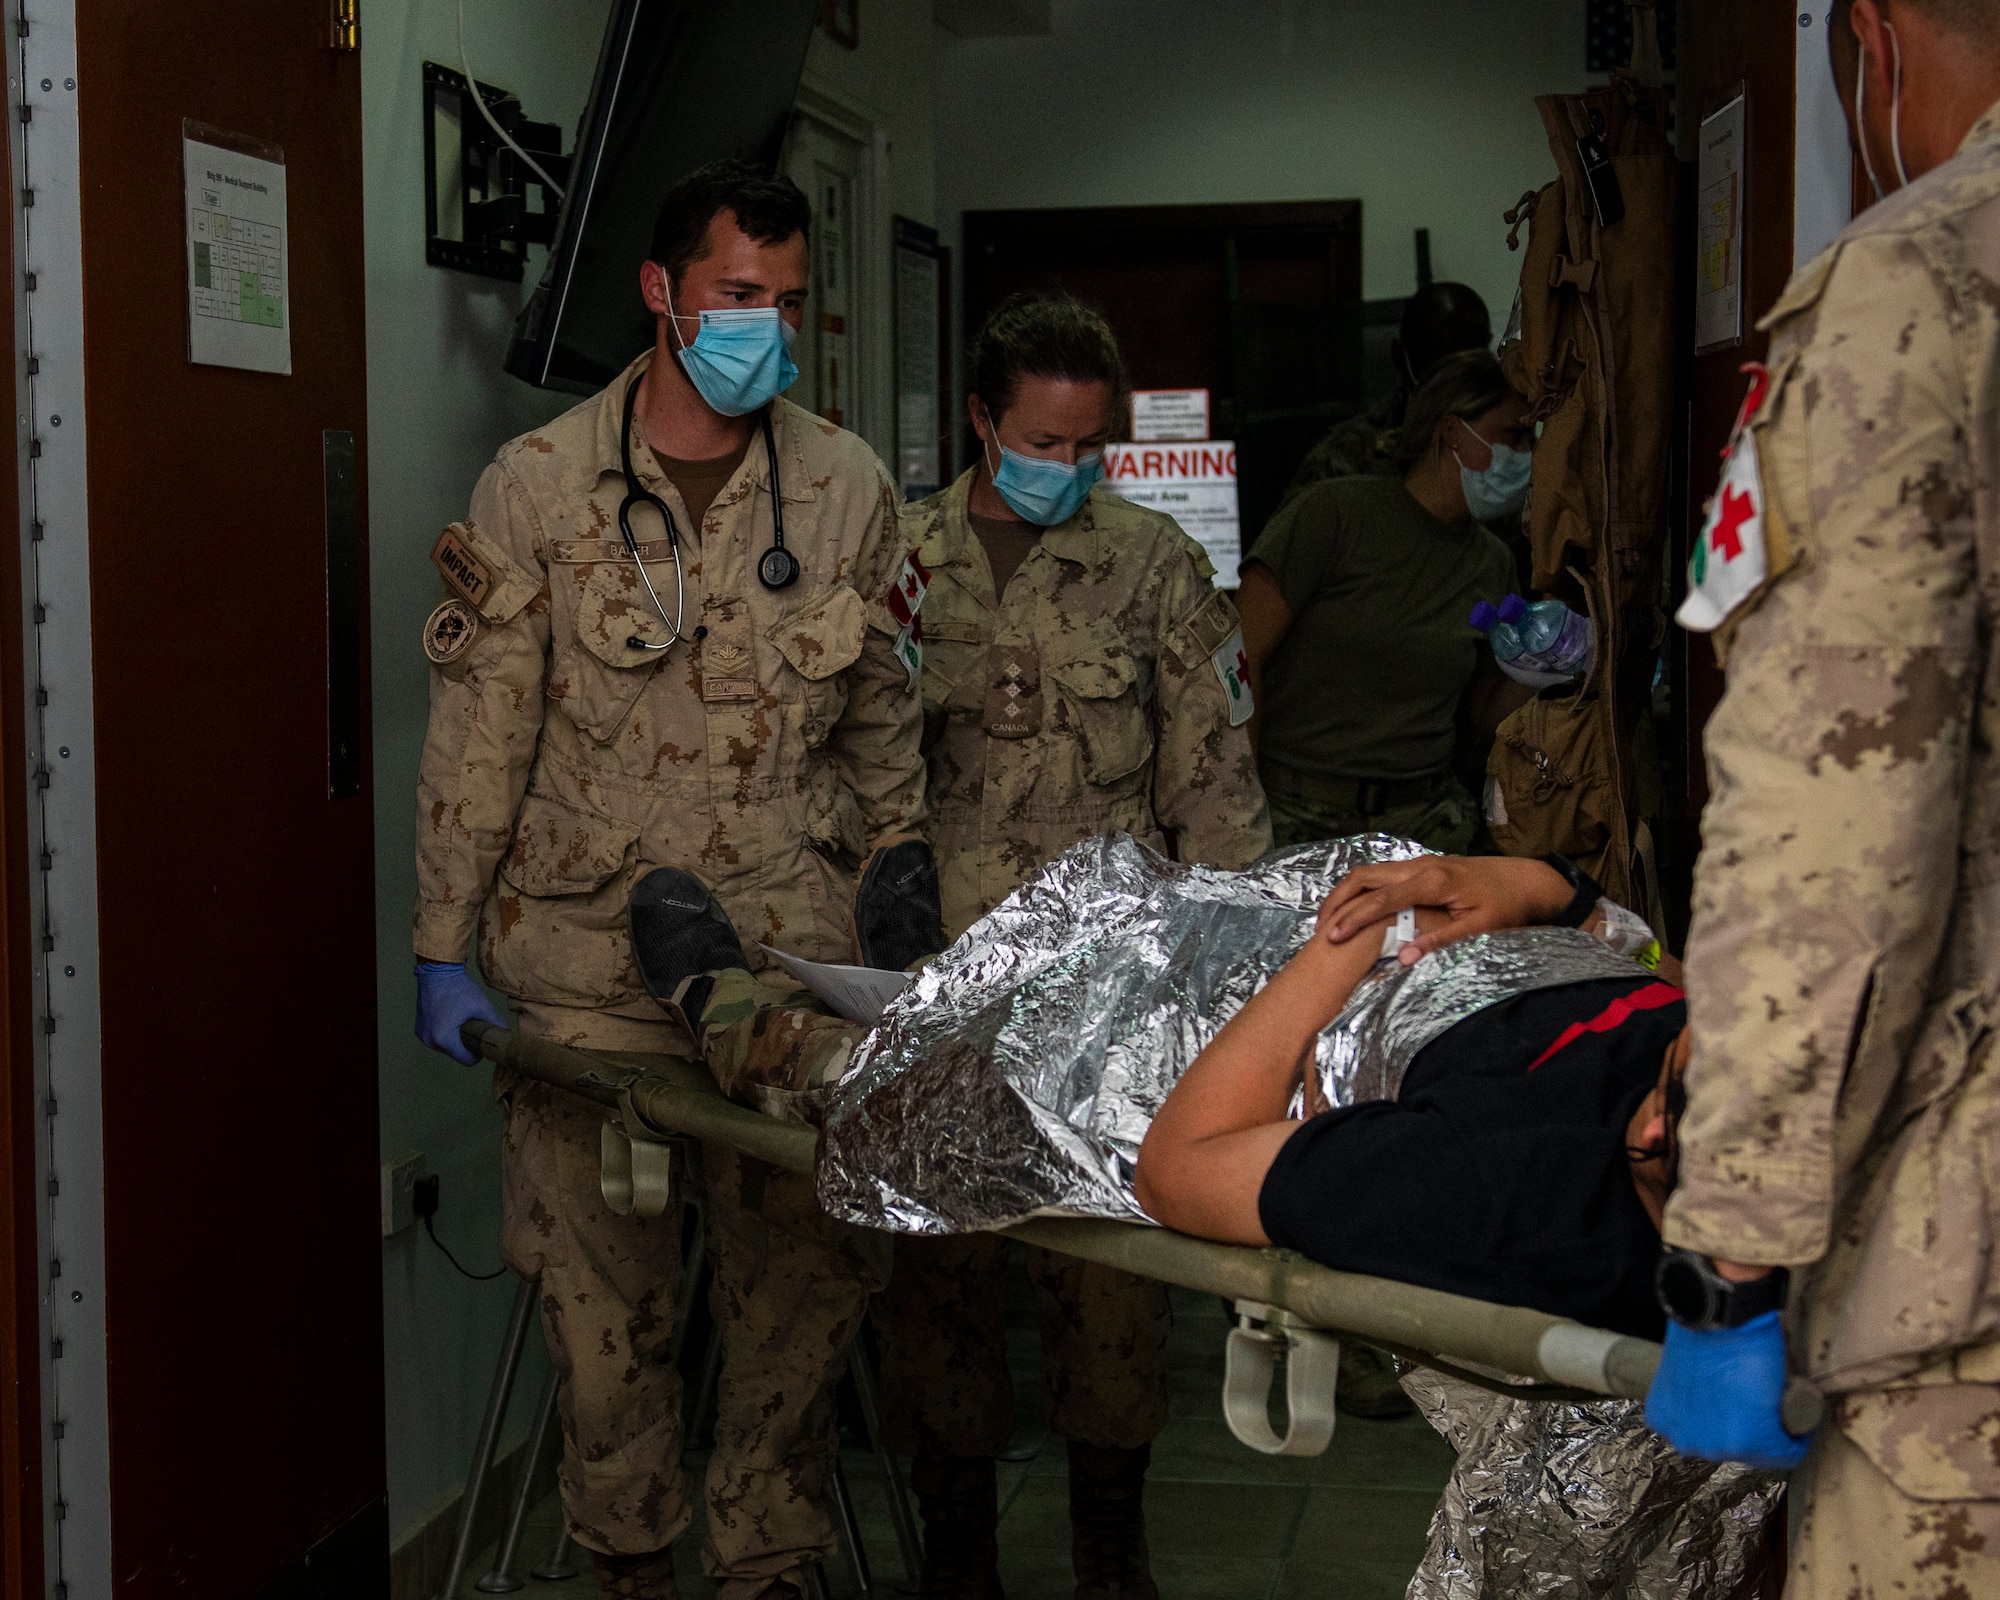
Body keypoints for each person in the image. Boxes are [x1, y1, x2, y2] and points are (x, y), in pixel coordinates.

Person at [409, 158, 926, 1600]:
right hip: (590, 980)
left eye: (789, 302)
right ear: (663, 294)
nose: (767, 326)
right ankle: (628, 1566)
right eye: (737, 296)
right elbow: (482, 734)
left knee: (801, 1304)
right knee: (601, 1322)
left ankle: (764, 1562)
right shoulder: (538, 487)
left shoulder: (844, 486)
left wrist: (902, 891)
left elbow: (885, 726)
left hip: (786, 976)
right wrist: (440, 942)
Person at [879, 290, 1272, 1600]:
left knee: (1111, 1298)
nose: (1067, 470)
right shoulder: (897, 559)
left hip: (1106, 991)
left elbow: (1214, 789)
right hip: (937, 993)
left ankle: (1114, 1555)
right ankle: (961, 1559)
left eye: (1088, 447)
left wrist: (1239, 993)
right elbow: (846, 778)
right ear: (982, 420)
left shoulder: (1154, 564)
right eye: (1042, 444)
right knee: (938, 1292)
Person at [1135, 860, 1685, 1340]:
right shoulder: (1726, 1086)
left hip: (1298, 977)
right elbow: (1665, 977)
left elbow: (1177, 1168)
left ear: (1656, 1130)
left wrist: (1372, 938)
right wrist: (1556, 897)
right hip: (1466, 921)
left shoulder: (1485, 1190)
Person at [1235, 349, 1531, 854]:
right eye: (1513, 436)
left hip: (1424, 822)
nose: (1528, 454)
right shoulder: (1335, 515)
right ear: (1453, 432)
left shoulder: (1493, 562)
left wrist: (1536, 672)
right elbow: (1240, 655)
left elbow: (1482, 710)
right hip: (1294, 816)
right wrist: (1239, 803)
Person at [1276, 281, 1493, 506]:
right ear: (1399, 356)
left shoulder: (1506, 446)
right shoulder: (1347, 460)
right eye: (1437, 367)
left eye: (1470, 367)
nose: (1452, 385)